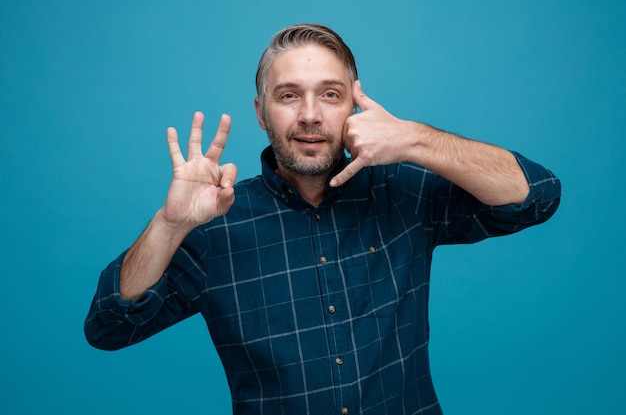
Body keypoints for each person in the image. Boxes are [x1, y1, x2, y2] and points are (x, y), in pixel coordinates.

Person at [85, 23, 561, 415]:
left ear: (353, 106)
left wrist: (415, 139)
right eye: (289, 96)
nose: (310, 115)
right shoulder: (216, 226)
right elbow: (109, 327)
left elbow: (535, 196)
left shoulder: (404, 192)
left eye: (330, 95)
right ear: (261, 112)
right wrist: (169, 226)